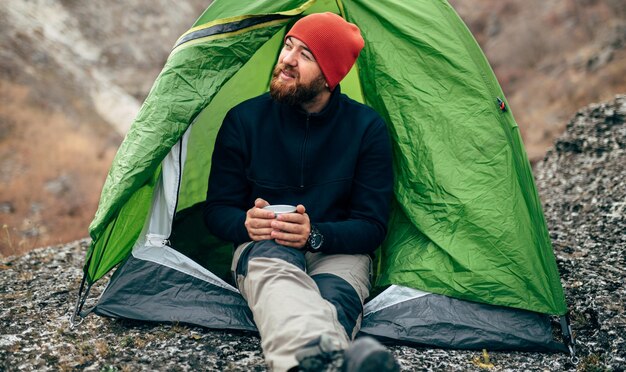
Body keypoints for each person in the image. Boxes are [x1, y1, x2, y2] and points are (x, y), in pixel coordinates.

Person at [204, 12, 397, 372]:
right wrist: (246, 224)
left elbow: (372, 225)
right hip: (264, 243)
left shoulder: (366, 129)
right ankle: (332, 361)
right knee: (277, 282)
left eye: (306, 55)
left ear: (329, 76)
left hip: (338, 250)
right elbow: (217, 210)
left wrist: (316, 234)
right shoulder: (244, 121)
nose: (287, 60)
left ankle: (310, 364)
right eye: (288, 46)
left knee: (335, 297)